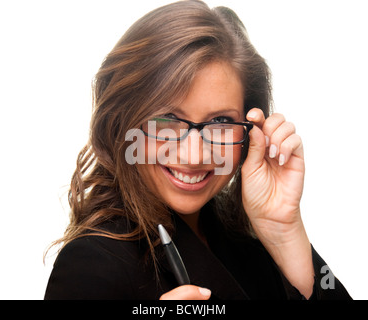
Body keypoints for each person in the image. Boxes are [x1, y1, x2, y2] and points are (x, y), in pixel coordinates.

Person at [44, 0, 351, 300]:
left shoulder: (246, 244)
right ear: (124, 121)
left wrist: (285, 232)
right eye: (168, 120)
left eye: (220, 121)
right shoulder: (93, 265)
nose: (194, 156)